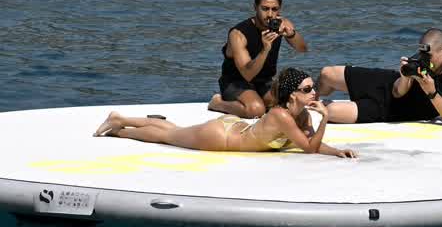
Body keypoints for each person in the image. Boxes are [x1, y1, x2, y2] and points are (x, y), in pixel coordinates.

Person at [94, 68, 356, 158]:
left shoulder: (302, 116)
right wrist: (325, 118)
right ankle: (121, 130)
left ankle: (121, 120)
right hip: (221, 137)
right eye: (307, 89)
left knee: (174, 131)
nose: (314, 92)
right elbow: (309, 149)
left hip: (233, 129)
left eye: (312, 87)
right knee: (168, 136)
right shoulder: (282, 116)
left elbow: (312, 143)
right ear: (292, 95)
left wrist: (336, 152)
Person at [317, 28, 442, 126]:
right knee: (327, 73)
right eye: (422, 54)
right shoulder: (422, 62)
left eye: (428, 56)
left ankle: (309, 107)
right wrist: (405, 77)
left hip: (391, 109)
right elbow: (397, 92)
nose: (425, 59)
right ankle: (310, 96)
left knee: (330, 111)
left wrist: (431, 92)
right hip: (388, 82)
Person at [208, 0, 307, 118]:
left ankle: (260, 98)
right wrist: (265, 49)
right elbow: (247, 74)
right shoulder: (238, 34)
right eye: (265, 9)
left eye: (274, 9)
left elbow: (302, 49)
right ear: (255, 7)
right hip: (236, 81)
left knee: (288, 105)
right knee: (256, 110)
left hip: (263, 80)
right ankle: (218, 103)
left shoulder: (282, 24)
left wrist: (291, 34)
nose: (270, 14)